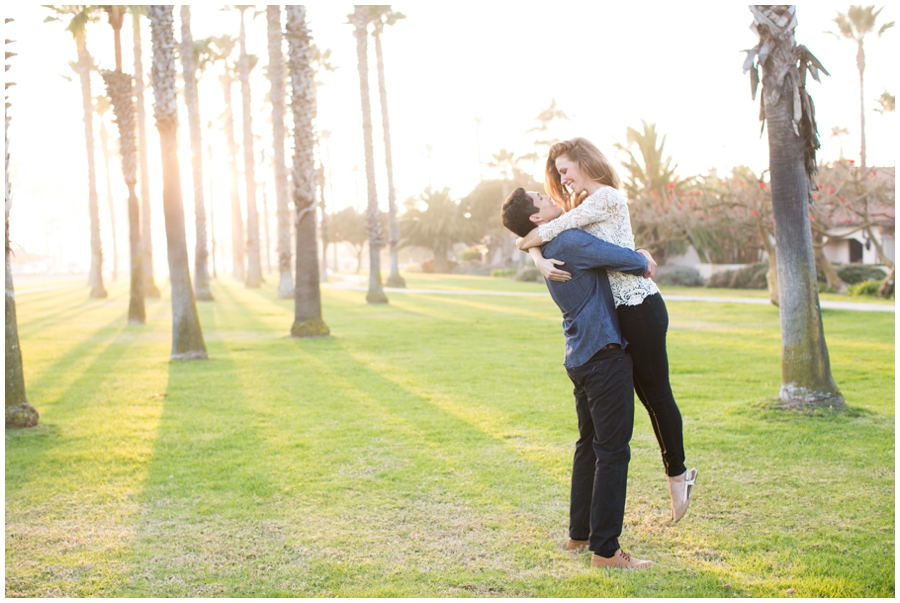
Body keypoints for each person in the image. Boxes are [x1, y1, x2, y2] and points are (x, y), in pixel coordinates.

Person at [516, 137, 697, 523]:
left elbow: (552, 229)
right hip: (618, 315)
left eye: (565, 170)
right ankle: (676, 482)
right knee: (645, 400)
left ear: (584, 162)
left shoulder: (605, 197)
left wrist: (531, 251)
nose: (562, 180)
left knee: (657, 396)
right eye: (559, 173)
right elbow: (547, 230)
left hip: (639, 305)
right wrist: (535, 256)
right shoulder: (582, 205)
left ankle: (679, 478)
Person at [501, 187, 654, 569]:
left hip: (580, 358)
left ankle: (579, 535)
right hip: (604, 356)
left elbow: (527, 241)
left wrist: (532, 250)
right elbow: (630, 262)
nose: (547, 193)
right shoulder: (568, 241)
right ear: (537, 218)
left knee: (589, 446)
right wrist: (644, 255)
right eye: (540, 197)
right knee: (613, 451)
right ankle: (606, 550)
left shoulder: (551, 246)